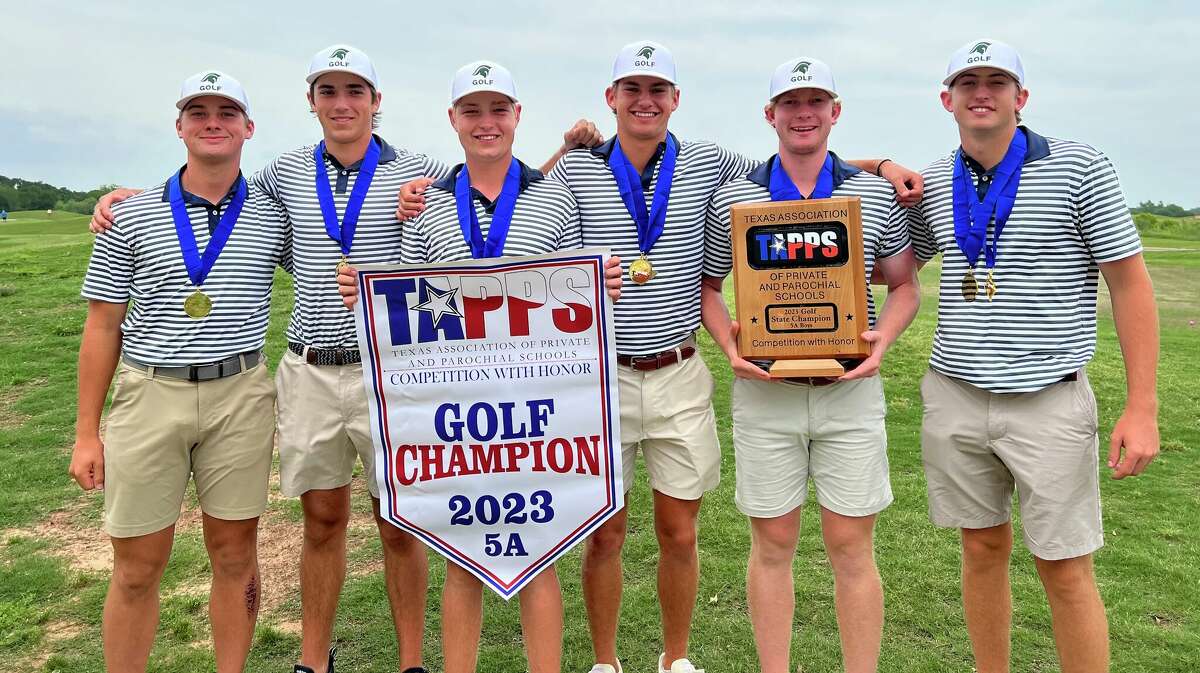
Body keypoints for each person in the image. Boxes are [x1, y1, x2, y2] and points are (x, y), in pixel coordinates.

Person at [394, 41, 922, 673]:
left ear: (675, 100)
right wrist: (432, 189)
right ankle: (606, 661)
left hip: (678, 368)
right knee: (604, 534)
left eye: (657, 91)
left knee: (679, 532)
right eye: (632, 90)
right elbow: (517, 191)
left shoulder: (706, 160)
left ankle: (676, 658)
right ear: (611, 98)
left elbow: (794, 156)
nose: (645, 102)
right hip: (597, 378)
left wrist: (882, 164)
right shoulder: (577, 169)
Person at [89, 44, 606, 673]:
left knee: (402, 523)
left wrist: (564, 152)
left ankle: (411, 662)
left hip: (392, 373)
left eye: (354, 91)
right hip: (310, 368)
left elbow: (497, 185)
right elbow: (214, 186)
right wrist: (133, 197)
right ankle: (313, 661)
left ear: (375, 101)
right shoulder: (283, 173)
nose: (341, 104)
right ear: (311, 102)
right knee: (322, 518)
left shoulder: (418, 170)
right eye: (328, 92)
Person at [337, 60, 622, 673]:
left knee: (540, 557)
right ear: (453, 119)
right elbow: (411, 299)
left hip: (536, 412)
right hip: (456, 414)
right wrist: (369, 294)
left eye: (498, 109)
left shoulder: (556, 199)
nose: (485, 122)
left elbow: (570, 296)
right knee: (460, 558)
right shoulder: (426, 207)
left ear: (517, 116)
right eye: (472, 110)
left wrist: (600, 287)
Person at [905, 39, 1160, 673]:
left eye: (996, 82)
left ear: (1022, 97)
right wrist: (879, 164)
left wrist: (1142, 407)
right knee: (980, 550)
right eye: (967, 83)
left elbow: (1129, 283)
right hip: (956, 394)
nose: (981, 94)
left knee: (1065, 568)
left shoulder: (1079, 167)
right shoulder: (935, 179)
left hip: (1049, 399)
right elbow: (894, 265)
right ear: (946, 99)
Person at [701, 57, 918, 673]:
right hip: (766, 390)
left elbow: (904, 286)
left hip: (848, 389)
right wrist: (729, 348)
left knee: (851, 546)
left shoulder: (872, 192)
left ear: (835, 111)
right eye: (790, 103)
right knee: (772, 544)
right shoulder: (735, 195)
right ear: (769, 114)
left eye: (816, 101)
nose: (803, 113)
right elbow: (711, 288)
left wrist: (883, 341)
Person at [70, 71, 290, 673]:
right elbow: (102, 326)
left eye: (226, 112)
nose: (212, 122)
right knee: (137, 567)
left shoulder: (274, 214)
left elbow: (329, 259)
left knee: (235, 555)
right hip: (151, 392)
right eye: (198, 112)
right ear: (179, 126)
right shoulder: (131, 214)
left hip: (240, 393)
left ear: (249, 127)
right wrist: (87, 432)